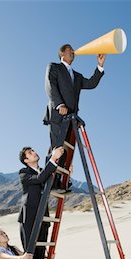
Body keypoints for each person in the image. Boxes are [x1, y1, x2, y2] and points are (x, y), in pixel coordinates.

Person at [43, 44, 106, 188]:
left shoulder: (77, 76)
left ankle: (61, 182)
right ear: (62, 54)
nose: (73, 51)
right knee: (56, 148)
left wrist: (100, 66)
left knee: (66, 152)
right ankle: (50, 180)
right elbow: (50, 86)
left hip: (71, 119)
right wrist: (60, 105)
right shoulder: (54, 67)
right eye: (70, 50)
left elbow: (91, 83)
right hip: (58, 115)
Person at [18, 146, 64, 259]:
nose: (34, 152)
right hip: (29, 216)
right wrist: (53, 159)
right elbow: (39, 179)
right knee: (30, 252)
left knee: (40, 251)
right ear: (26, 160)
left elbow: (52, 184)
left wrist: (64, 175)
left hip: (43, 216)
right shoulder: (24, 172)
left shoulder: (44, 171)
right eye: (30, 153)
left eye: (33, 150)